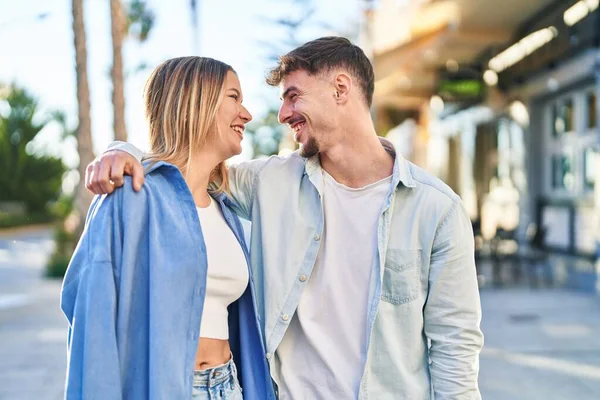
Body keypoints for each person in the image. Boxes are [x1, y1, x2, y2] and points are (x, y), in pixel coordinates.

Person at [87, 37, 484, 399]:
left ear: (340, 88)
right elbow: (185, 166)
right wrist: (120, 151)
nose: (281, 114)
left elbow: (455, 346)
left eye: (292, 96)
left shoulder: (436, 209)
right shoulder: (270, 182)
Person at [61, 56, 274, 400]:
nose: (246, 114)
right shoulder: (131, 197)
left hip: (229, 386)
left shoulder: (227, 209)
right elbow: (90, 320)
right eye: (234, 97)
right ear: (195, 103)